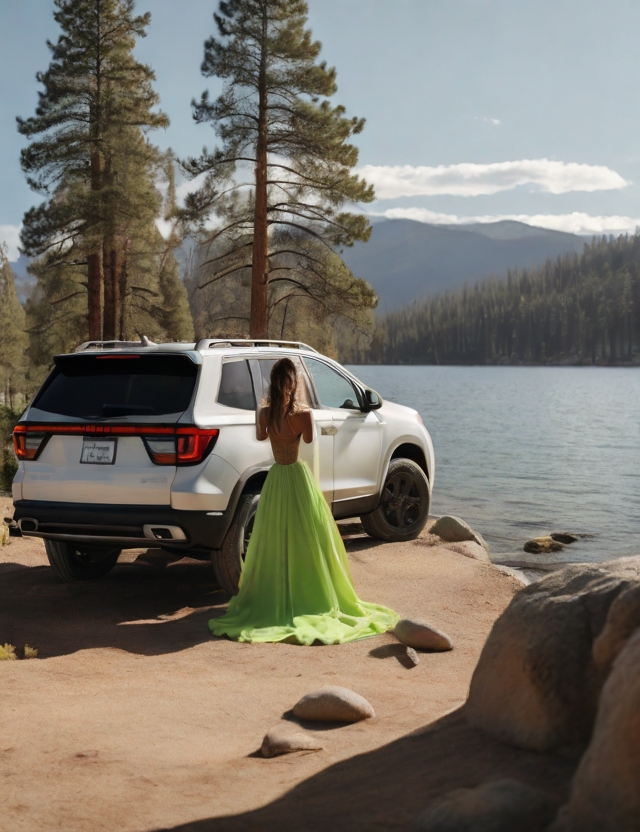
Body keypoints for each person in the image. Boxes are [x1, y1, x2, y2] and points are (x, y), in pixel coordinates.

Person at [209, 357, 399, 644]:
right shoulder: (303, 414)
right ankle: (308, 593)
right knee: (305, 537)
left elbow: (261, 437)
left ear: (272, 383)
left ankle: (276, 594)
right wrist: (302, 410)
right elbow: (308, 440)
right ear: (293, 383)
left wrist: (267, 418)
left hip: (276, 478)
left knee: (274, 537)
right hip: (297, 478)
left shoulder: (264, 412)